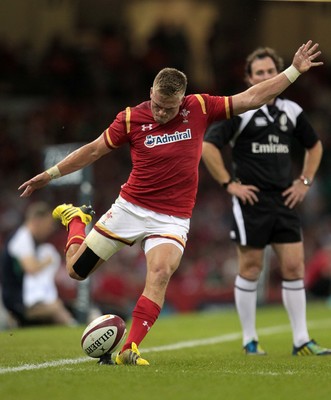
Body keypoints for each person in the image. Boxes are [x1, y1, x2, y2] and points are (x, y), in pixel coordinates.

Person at [18, 40, 322, 365]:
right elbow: (93, 150)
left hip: (172, 218)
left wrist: (292, 71)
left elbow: (250, 98)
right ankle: (77, 219)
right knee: (76, 271)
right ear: (151, 91)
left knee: (160, 272)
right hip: (129, 208)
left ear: (183, 98)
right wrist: (49, 175)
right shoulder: (132, 118)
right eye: (158, 105)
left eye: (170, 108)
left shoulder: (200, 107)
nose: (162, 113)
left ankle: (129, 348)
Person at [202, 46, 331, 356]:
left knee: (294, 266)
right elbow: (208, 147)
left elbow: (314, 147)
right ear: (249, 79)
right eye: (258, 73)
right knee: (250, 268)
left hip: (284, 199)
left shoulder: (292, 111)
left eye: (270, 71)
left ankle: (301, 340)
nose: (265, 76)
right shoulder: (241, 110)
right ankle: (250, 339)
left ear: (278, 73)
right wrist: (229, 184)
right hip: (251, 200)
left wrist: (304, 182)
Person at [1, 201, 76, 327]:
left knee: (58, 307)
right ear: (37, 221)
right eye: (49, 224)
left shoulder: (28, 239)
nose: (50, 229)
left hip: (21, 297)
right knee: (56, 308)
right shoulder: (22, 238)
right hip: (17, 300)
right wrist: (48, 261)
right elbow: (31, 268)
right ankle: (74, 328)